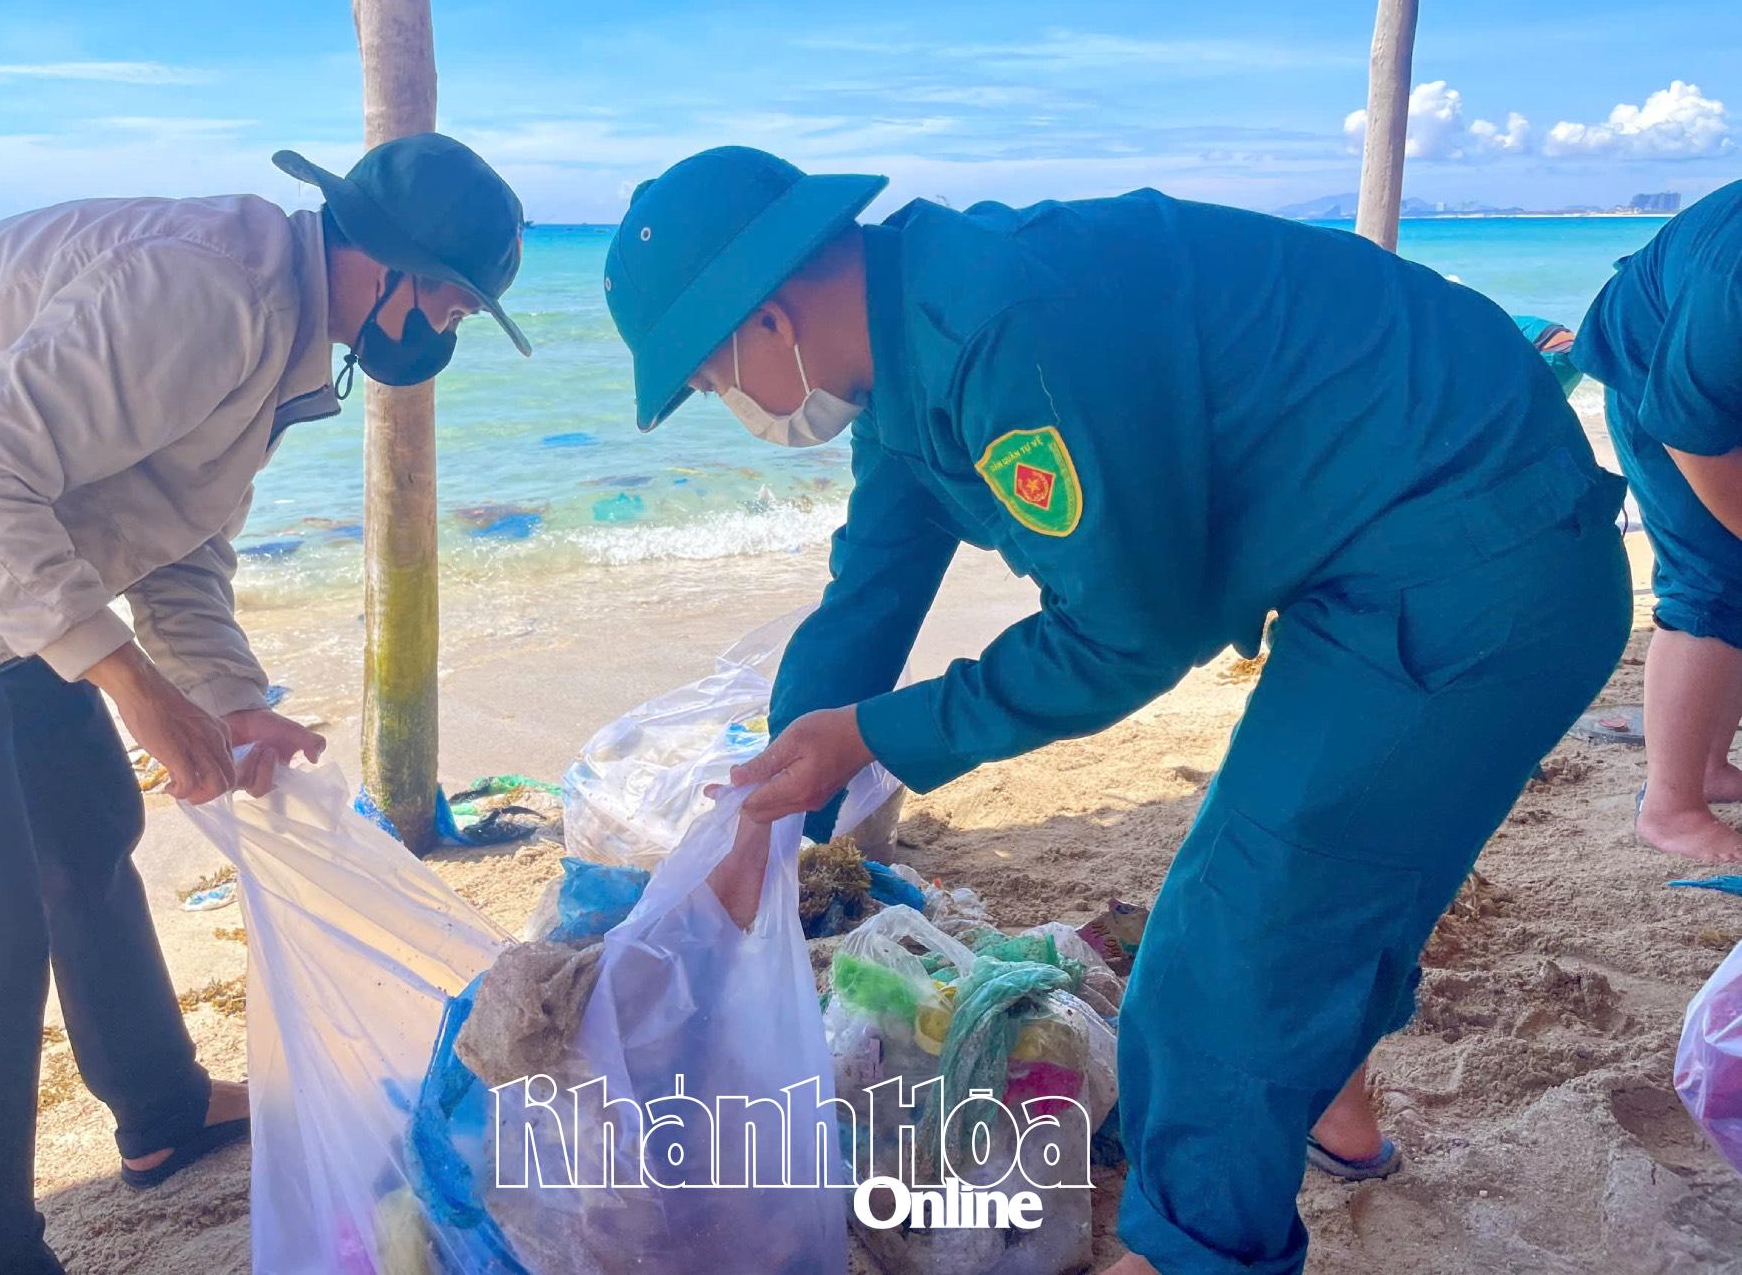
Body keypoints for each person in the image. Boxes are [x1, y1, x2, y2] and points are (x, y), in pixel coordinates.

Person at [603, 146, 1632, 1275]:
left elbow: (1126, 639)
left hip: (1477, 558)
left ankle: (1193, 1247)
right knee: (1315, 870)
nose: (726, 402)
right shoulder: (910, 337)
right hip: (1391, 535)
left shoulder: (1006, 336)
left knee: (1221, 944)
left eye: (706, 378)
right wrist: (773, 811)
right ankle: (1331, 1116)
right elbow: (871, 588)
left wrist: (878, 737)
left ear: (767, 314)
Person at [0, 132, 527, 1275]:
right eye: (454, 303)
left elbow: (168, 528)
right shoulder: (209, 292)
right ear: (391, 269)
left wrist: (227, 698)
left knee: (89, 833)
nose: (448, 329)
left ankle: (159, 1109)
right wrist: (128, 681)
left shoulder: (272, 321)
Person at [1571, 180, 1742, 863]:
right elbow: (1689, 426)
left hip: (1709, 375)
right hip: (1654, 377)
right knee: (1708, 579)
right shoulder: (1733, 278)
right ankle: (1670, 805)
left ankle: (1709, 766)